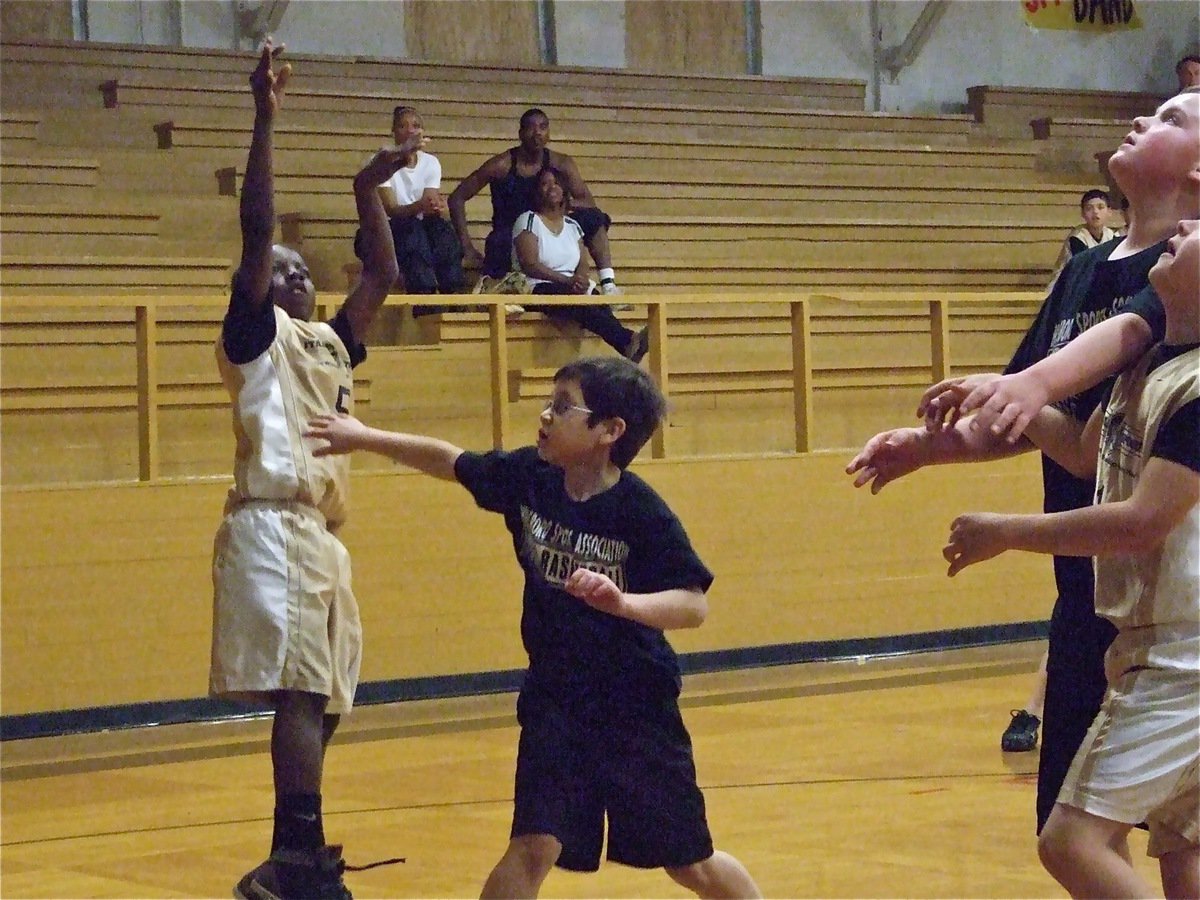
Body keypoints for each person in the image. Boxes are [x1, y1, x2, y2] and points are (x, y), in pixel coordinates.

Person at [846, 89, 1199, 842]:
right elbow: (1033, 423)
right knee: (1086, 831)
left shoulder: (1185, 275)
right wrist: (930, 445)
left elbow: (1094, 371)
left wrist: (1032, 385)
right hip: (1091, 587)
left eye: (1171, 119)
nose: (1138, 120)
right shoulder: (1084, 271)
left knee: (1113, 841)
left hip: (1167, 592)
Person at [304, 356, 761, 900]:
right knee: (532, 846)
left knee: (691, 865)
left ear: (609, 431)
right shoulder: (530, 479)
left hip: (636, 705)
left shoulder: (641, 512)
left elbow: (692, 605)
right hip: (557, 698)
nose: (545, 414)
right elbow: (451, 461)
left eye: (564, 406)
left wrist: (623, 604)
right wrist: (363, 436)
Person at [943, 217, 1199, 899]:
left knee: (1070, 842)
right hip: (1154, 642)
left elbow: (1144, 522)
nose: (1188, 225)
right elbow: (1083, 453)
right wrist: (995, 390)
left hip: (1184, 656)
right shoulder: (1144, 368)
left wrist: (1007, 530)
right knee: (1185, 855)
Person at [211, 41, 411, 900]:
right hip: (276, 520)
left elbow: (387, 272)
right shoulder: (253, 338)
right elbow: (258, 231)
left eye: (302, 269)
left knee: (328, 696)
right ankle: (295, 860)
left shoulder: (331, 341)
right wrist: (264, 116)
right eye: (280, 270)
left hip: (324, 535)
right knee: (299, 690)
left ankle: (290, 851)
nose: (294, 273)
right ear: (256, 285)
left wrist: (368, 189)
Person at [448, 107, 624, 296]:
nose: (537, 133)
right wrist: (466, 246)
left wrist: (560, 204)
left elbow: (587, 201)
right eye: (531, 128)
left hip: (548, 227)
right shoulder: (502, 165)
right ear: (521, 134)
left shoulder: (561, 163)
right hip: (512, 234)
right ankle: (503, 287)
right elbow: (457, 197)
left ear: (548, 133)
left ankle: (608, 284)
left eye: (543, 127)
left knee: (594, 217)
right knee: (500, 242)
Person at [514, 167, 648, 362]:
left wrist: (581, 280)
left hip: (568, 284)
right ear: (536, 191)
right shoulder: (528, 219)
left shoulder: (572, 225)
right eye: (545, 183)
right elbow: (530, 264)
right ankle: (627, 340)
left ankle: (627, 345)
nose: (552, 187)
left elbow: (582, 262)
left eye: (556, 183)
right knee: (576, 300)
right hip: (536, 286)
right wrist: (568, 281)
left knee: (594, 298)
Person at [353, 105, 464, 318]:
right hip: (383, 230)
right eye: (403, 126)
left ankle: (455, 295)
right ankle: (425, 300)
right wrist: (421, 206)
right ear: (393, 131)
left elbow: (428, 202)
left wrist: (435, 207)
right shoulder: (380, 161)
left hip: (419, 225)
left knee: (443, 233)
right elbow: (392, 209)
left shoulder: (431, 162)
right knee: (411, 231)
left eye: (415, 126)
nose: (410, 131)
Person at [1050, 189, 1116, 277]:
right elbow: (1085, 270)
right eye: (1089, 208)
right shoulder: (1077, 238)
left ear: (1109, 212)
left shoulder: (1111, 236)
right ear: (1083, 213)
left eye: (1100, 207)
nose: (1095, 212)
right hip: (1066, 284)